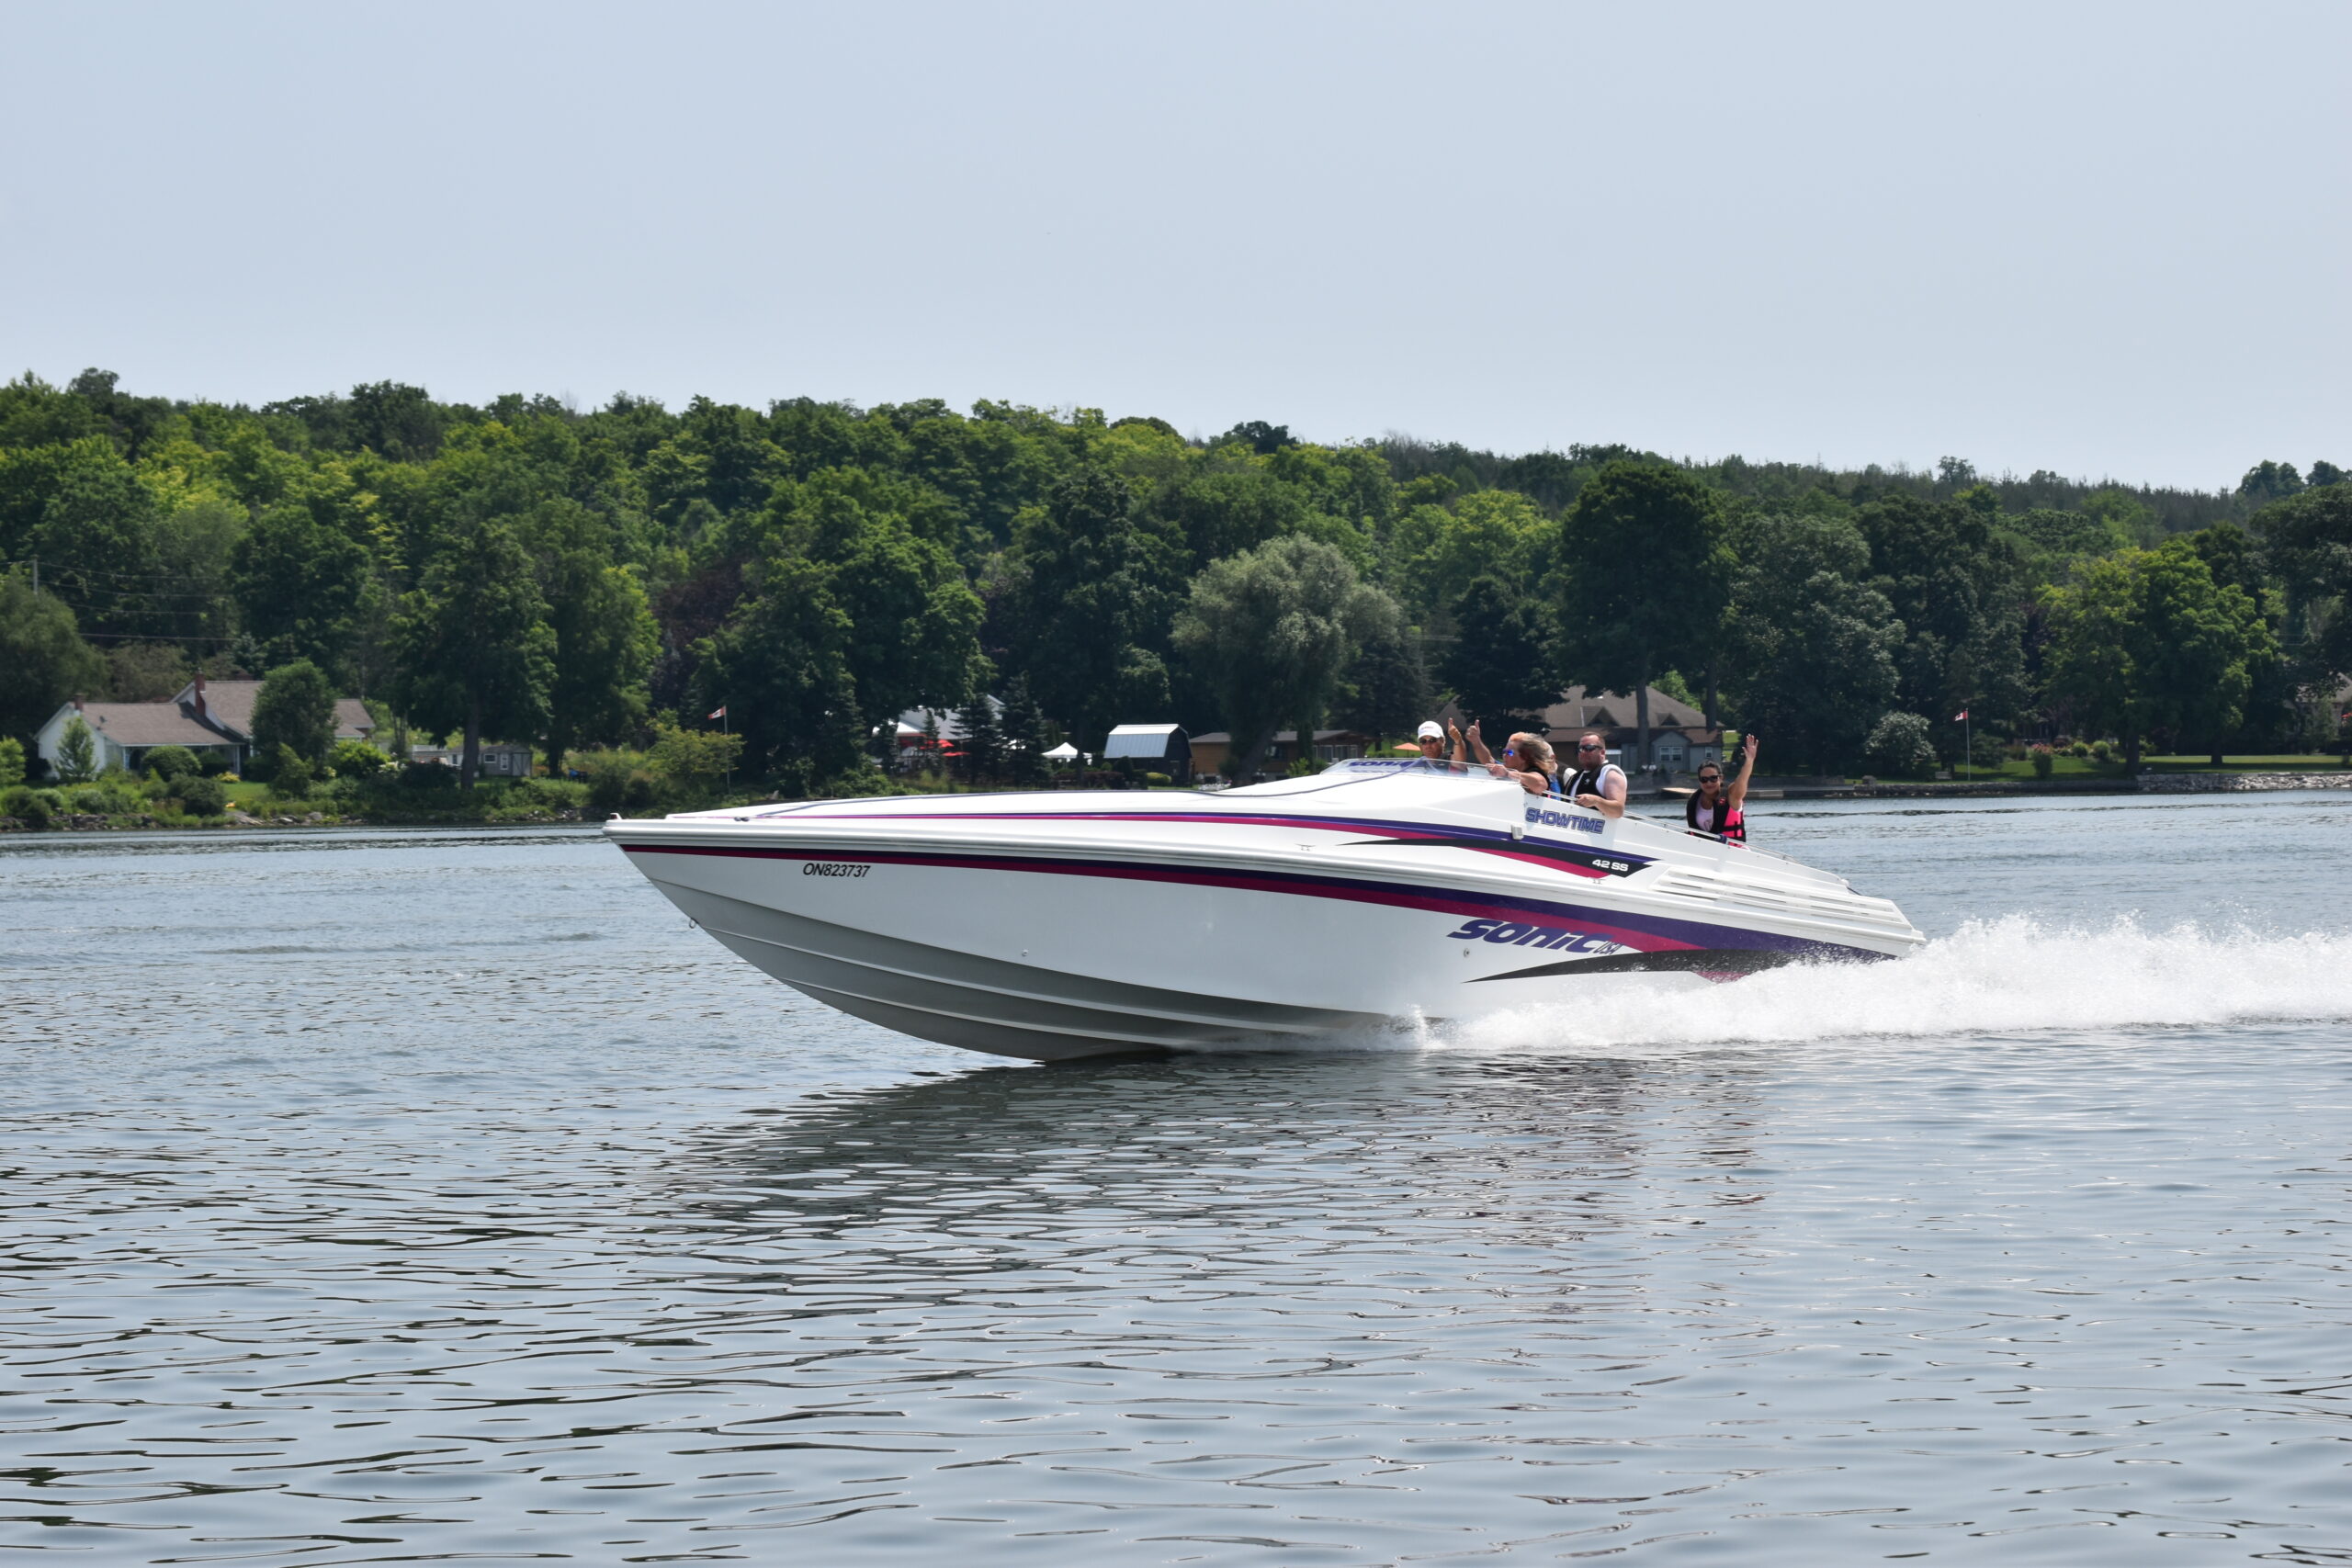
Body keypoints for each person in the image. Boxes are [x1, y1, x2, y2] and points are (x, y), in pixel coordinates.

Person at [1686, 731, 1756, 842]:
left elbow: (1741, 783)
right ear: (1699, 781)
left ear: (1721, 778)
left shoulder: (1731, 796)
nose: (1709, 783)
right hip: (1704, 852)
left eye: (1713, 778)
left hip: (1734, 852)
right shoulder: (1694, 800)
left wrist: (1749, 761)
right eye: (1704, 779)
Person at [1562, 731, 1628, 818]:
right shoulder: (1574, 777)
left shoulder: (1610, 773)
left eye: (1589, 748)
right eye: (1580, 749)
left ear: (1602, 752)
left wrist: (1597, 801)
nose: (1583, 752)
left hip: (1600, 831)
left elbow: (1618, 811)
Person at [1498, 732, 1561, 796]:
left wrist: (1507, 773)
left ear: (1524, 757)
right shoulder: (1505, 769)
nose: (1504, 755)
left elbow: (1540, 784)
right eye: (1504, 752)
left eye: (1509, 752)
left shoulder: (1535, 771)